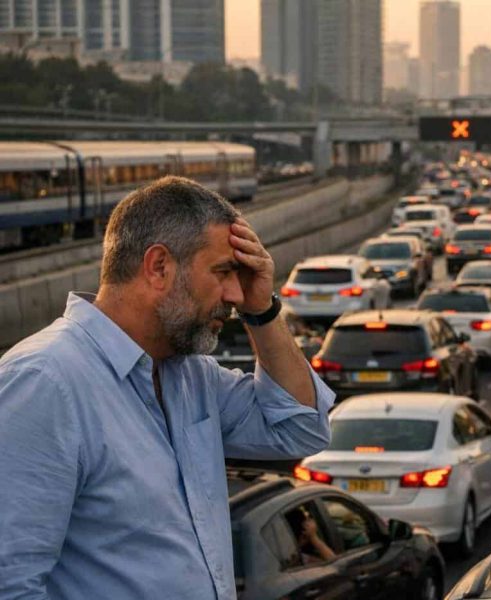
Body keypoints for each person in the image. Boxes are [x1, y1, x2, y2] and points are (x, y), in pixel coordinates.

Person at [0, 176, 335, 599]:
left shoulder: (190, 375)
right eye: (224, 272)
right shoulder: (45, 383)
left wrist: (263, 311)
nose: (235, 293)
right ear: (159, 267)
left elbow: (301, 430)